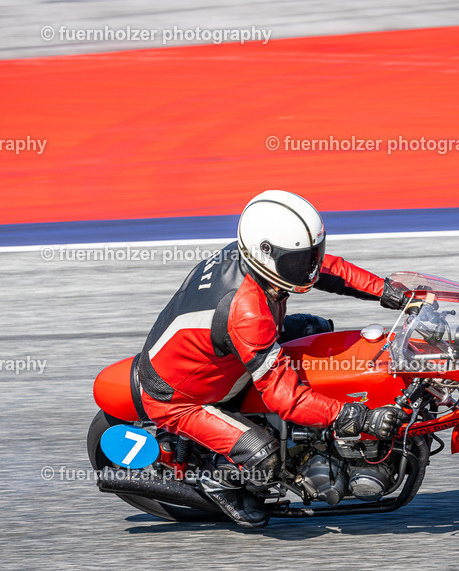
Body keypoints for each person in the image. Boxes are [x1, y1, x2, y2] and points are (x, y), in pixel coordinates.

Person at [135, 190, 409, 527]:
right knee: (263, 456)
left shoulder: (251, 259)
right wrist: (355, 418)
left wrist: (385, 289)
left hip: (224, 348)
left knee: (316, 329)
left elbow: (328, 269)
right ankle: (218, 484)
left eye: (310, 255)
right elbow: (284, 397)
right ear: (265, 253)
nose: (309, 268)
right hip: (182, 399)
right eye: (299, 261)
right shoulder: (248, 311)